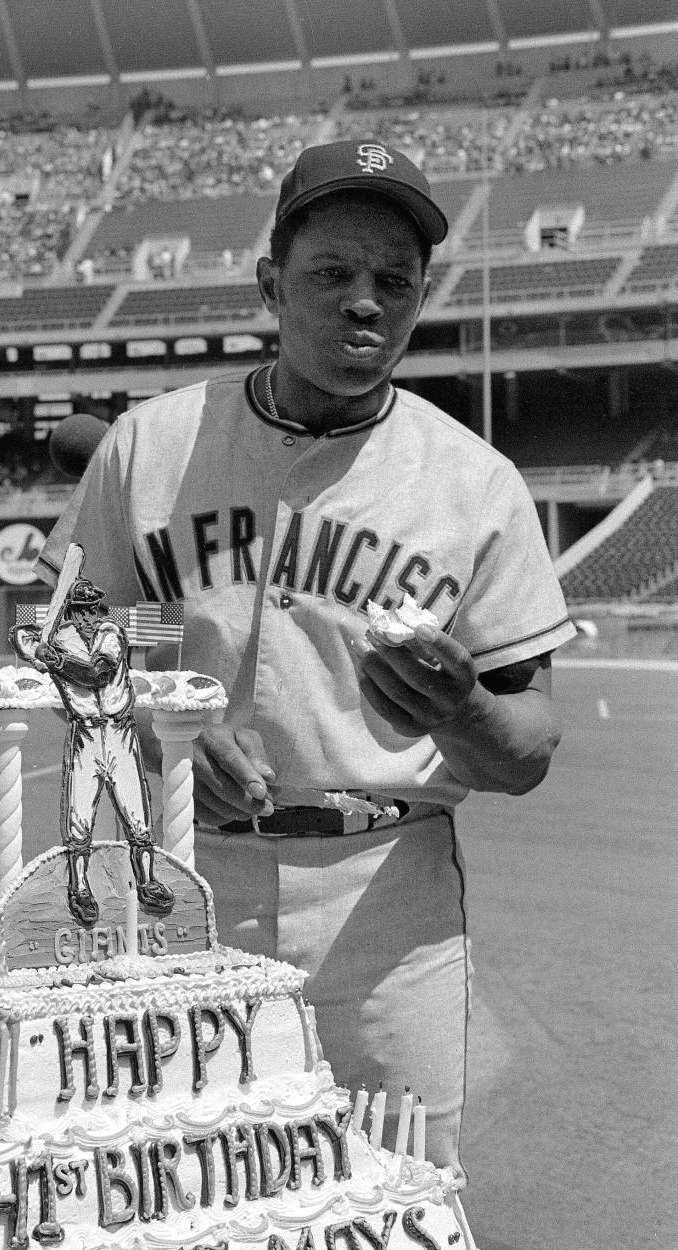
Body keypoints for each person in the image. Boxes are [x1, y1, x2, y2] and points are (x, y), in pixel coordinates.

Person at [36, 141, 577, 1174]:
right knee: (169, 1189)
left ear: (422, 296)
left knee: (397, 1202)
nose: (364, 303)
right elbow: (68, 638)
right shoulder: (148, 447)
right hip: (178, 878)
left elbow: (527, 749)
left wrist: (462, 710)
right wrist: (153, 718)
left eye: (393, 280)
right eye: (332, 274)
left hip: (384, 897)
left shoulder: (476, 483)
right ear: (272, 286)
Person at [10, 575, 174, 928]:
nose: (89, 616)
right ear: (70, 611)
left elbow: (98, 673)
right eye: (82, 610)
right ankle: (80, 888)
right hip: (84, 733)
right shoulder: (61, 637)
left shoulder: (111, 633)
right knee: (78, 816)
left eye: (94, 609)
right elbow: (20, 636)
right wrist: (37, 646)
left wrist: (56, 661)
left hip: (119, 731)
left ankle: (147, 881)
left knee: (136, 813)